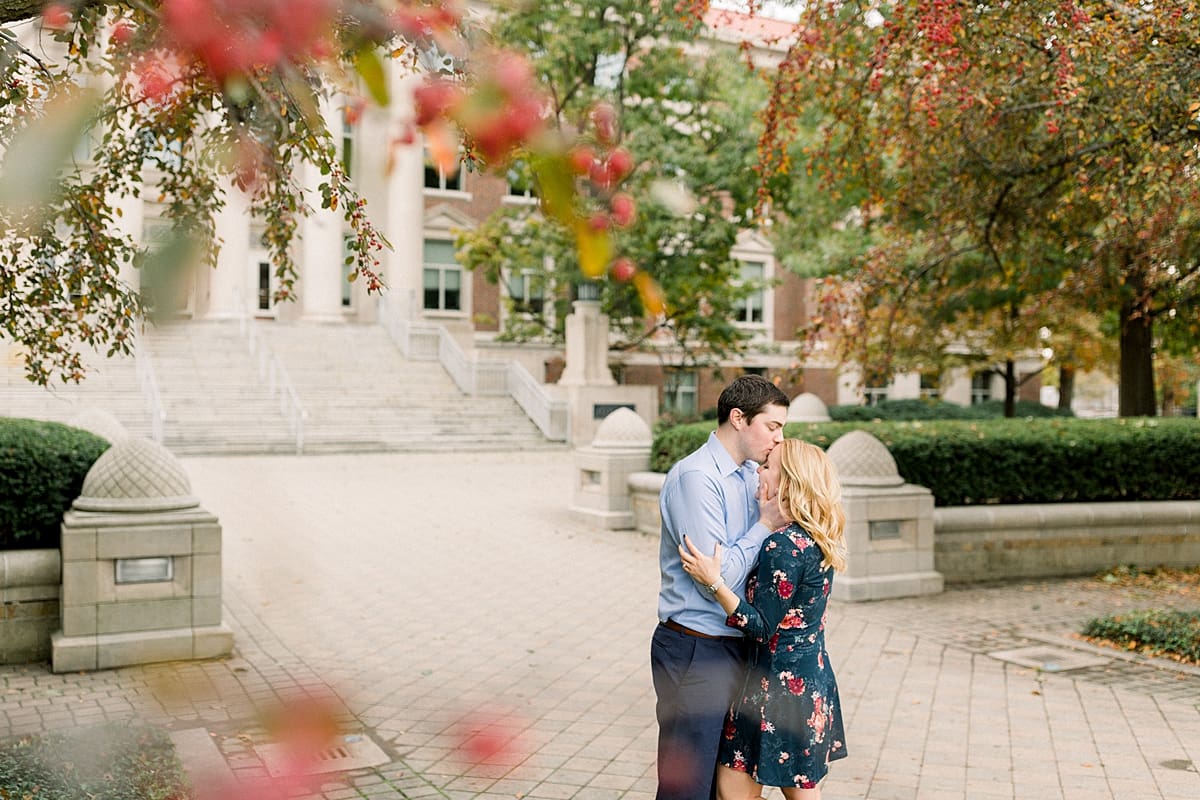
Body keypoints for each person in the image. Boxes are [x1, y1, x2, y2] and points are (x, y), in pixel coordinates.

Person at [680, 439, 848, 800]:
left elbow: (760, 627)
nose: (759, 470)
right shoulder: (814, 537)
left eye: (768, 466)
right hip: (809, 682)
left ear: (787, 482)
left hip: (774, 687)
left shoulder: (781, 545)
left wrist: (714, 583)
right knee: (799, 790)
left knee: (733, 790)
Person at [651, 374, 791, 800]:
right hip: (698, 647)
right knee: (688, 787)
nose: (779, 438)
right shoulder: (697, 478)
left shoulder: (753, 476)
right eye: (772, 426)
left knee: (723, 787)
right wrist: (765, 525)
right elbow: (718, 579)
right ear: (738, 418)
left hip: (741, 646)